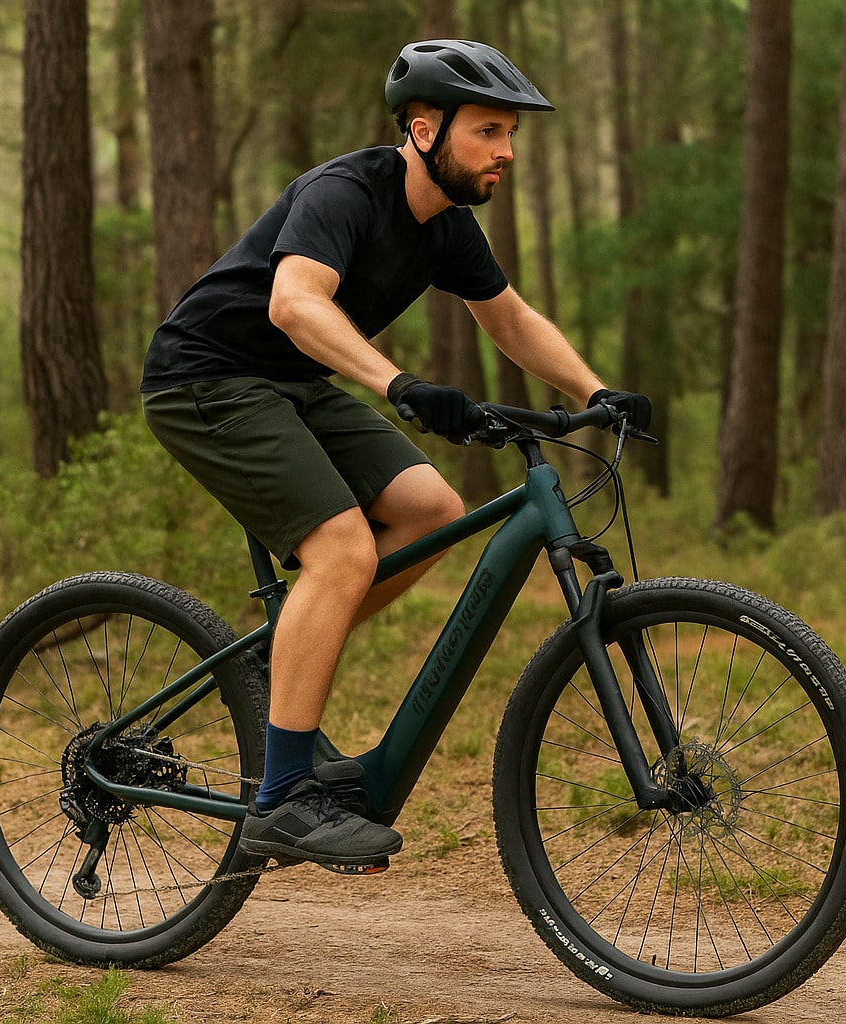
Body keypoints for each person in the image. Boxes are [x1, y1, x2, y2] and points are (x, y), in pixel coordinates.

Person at [140, 38, 652, 868]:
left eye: (510, 134)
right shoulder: (343, 193)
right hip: (207, 378)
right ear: (423, 129)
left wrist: (595, 394)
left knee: (431, 511)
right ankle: (280, 802)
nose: (507, 152)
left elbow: (512, 319)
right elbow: (296, 304)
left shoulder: (447, 229)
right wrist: (399, 384)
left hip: (292, 385)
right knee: (341, 546)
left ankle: (287, 655)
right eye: (488, 131)